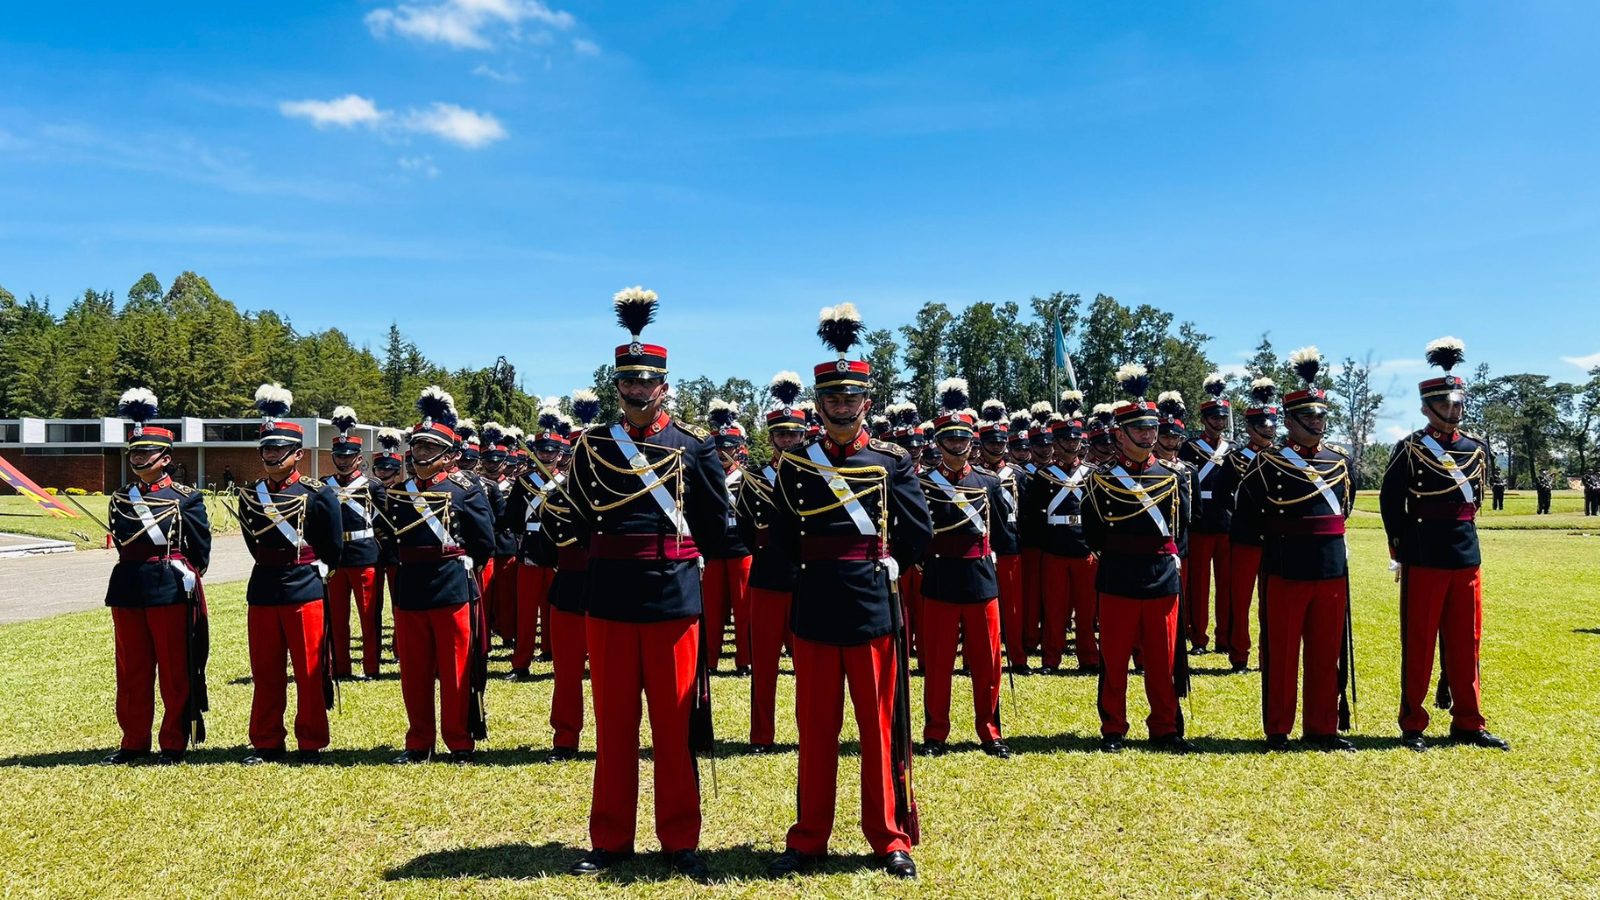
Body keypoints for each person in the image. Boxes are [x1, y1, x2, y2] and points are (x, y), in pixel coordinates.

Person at [566, 287, 729, 882]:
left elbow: (716, 528)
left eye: (646, 381)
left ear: (664, 384)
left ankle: (680, 837)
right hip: (609, 598)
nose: (636, 391)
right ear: (617, 386)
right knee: (613, 725)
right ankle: (610, 838)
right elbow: (579, 519)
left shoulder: (694, 449)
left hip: (671, 597)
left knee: (673, 723)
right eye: (627, 382)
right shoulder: (594, 448)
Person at [766, 303, 932, 880]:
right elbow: (784, 538)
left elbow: (919, 531)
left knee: (878, 727)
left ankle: (888, 837)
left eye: (851, 398)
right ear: (820, 402)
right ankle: (809, 836)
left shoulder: (893, 460)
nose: (841, 407)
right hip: (815, 602)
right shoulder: (795, 465)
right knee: (815, 730)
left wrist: (886, 565)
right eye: (832, 399)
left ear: (867, 401)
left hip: (870, 603)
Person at [1380, 337, 1509, 752]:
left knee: (1466, 642)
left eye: (1458, 402)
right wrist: (1400, 548)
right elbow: (1390, 500)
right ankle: (1413, 722)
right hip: (1424, 553)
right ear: (1427, 406)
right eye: (1447, 402)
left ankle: (1469, 721)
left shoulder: (1475, 448)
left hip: (1465, 555)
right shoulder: (1411, 449)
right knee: (1419, 641)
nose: (1455, 408)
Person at [1233, 349, 1357, 752]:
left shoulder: (1339, 460)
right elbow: (1247, 520)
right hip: (1285, 565)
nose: (1318, 423)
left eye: (1322, 416)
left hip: (1331, 567)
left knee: (1325, 652)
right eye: (1311, 417)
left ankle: (1322, 727)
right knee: (1282, 653)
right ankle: (1278, 729)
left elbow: (1344, 511)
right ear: (1289, 421)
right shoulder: (1266, 464)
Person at [1080, 364, 1193, 754]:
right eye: (1141, 429)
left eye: (1153, 429)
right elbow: (1092, 530)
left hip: (1161, 575)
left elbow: (1181, 527)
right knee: (1114, 659)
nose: (1149, 435)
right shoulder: (1100, 479)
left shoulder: (1174, 476)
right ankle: (1114, 727)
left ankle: (1165, 727)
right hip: (1118, 574)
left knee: (1162, 659)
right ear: (1120, 433)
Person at [380, 387, 497, 764]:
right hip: (412, 585)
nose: (420, 455)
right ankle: (419, 742)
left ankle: (459, 741)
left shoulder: (466, 490)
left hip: (450, 584)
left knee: (455, 669)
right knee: (414, 671)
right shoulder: (399, 492)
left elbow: (484, 541)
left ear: (448, 455)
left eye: (429, 449)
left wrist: (464, 561)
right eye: (417, 447)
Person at [232, 384, 343, 764]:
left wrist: (311, 567)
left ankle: (310, 742)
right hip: (264, 585)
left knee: (311, 670)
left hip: (304, 585)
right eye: (266, 448)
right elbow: (253, 540)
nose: (271, 455)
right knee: (265, 672)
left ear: (297, 454)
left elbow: (333, 547)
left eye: (279, 449)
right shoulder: (251, 494)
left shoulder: (318, 493)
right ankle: (266, 741)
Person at [101, 388, 213, 766]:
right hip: (128, 587)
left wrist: (180, 574)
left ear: (165, 458)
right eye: (133, 452)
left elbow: (200, 551)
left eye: (145, 452)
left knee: (174, 668)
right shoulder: (120, 498)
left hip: (169, 587)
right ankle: (134, 740)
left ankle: (173, 741)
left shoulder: (187, 499)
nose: (137, 458)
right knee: (131, 670)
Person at [917, 379, 1010, 759]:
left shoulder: (987, 482)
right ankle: (935, 733)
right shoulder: (923, 483)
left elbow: (1002, 533)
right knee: (937, 664)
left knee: (987, 663)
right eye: (949, 439)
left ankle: (990, 731)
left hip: (980, 578)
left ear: (972, 440)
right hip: (940, 577)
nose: (957, 445)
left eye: (963, 438)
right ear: (938, 442)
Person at [514, 402, 590, 760]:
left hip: (616, 595)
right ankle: (565, 737)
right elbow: (544, 549)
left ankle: (611, 736)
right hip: (571, 590)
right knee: (567, 673)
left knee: (616, 679)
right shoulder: (557, 499)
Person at [737, 372, 806, 752]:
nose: (788, 440)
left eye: (794, 434)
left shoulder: (819, 474)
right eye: (781, 434)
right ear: (772, 437)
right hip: (765, 577)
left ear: (804, 435)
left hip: (804, 579)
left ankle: (809, 730)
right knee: (763, 666)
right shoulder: (755, 478)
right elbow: (747, 529)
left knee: (808, 668)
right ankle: (761, 734)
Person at [1022, 401, 1098, 675]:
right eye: (1065, 438)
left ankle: (1089, 658)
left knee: (1087, 611)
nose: (1071, 443)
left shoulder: (1092, 474)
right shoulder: (1043, 476)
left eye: (1075, 438)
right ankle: (1051, 659)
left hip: (1085, 547)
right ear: (1056, 441)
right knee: (1053, 610)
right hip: (1054, 548)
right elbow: (1033, 515)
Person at [1214, 378, 1280, 675]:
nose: (1268, 430)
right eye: (1263, 426)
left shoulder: (1282, 458)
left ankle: (1271, 655)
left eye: (1271, 425)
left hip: (1278, 538)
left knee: (1274, 603)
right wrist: (1243, 514)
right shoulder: (1236, 458)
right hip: (1244, 536)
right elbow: (1221, 494)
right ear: (1251, 428)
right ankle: (1239, 654)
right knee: (1240, 599)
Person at [502, 411, 566, 681]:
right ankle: (520, 663)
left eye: (551, 451)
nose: (545, 455)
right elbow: (513, 519)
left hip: (556, 551)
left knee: (557, 609)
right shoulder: (524, 482)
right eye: (541, 450)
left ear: (559, 455)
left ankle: (554, 654)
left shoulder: (567, 482)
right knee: (526, 613)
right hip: (529, 550)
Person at [325, 407, 386, 681]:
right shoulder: (323, 486)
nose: (343, 461)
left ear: (358, 458)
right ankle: (341, 668)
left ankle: (371, 667)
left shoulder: (372, 486)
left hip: (365, 556)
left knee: (368, 616)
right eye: (339, 456)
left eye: (348, 456)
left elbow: (385, 523)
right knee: (337, 618)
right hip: (336, 558)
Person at [1178, 373, 1234, 657]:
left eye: (1223, 418)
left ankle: (1225, 637)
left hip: (1226, 521)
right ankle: (1198, 637)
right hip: (1200, 522)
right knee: (1198, 586)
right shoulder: (1188, 447)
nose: (1219, 423)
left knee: (1227, 586)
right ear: (1204, 419)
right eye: (1214, 418)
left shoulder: (1232, 449)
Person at [703, 399, 754, 675]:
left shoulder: (748, 477)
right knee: (711, 610)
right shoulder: (705, 477)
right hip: (713, 547)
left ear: (738, 448)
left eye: (728, 447)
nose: (723, 452)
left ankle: (744, 660)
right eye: (718, 447)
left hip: (741, 547)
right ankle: (710, 660)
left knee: (744, 609)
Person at [976, 399, 1026, 676]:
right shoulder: (976, 474)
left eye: (1000, 441)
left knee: (1013, 609)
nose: (996, 446)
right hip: (981, 547)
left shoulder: (1017, 474)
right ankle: (978, 659)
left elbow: (1027, 515)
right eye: (991, 442)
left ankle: (1017, 657)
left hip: (1010, 547)